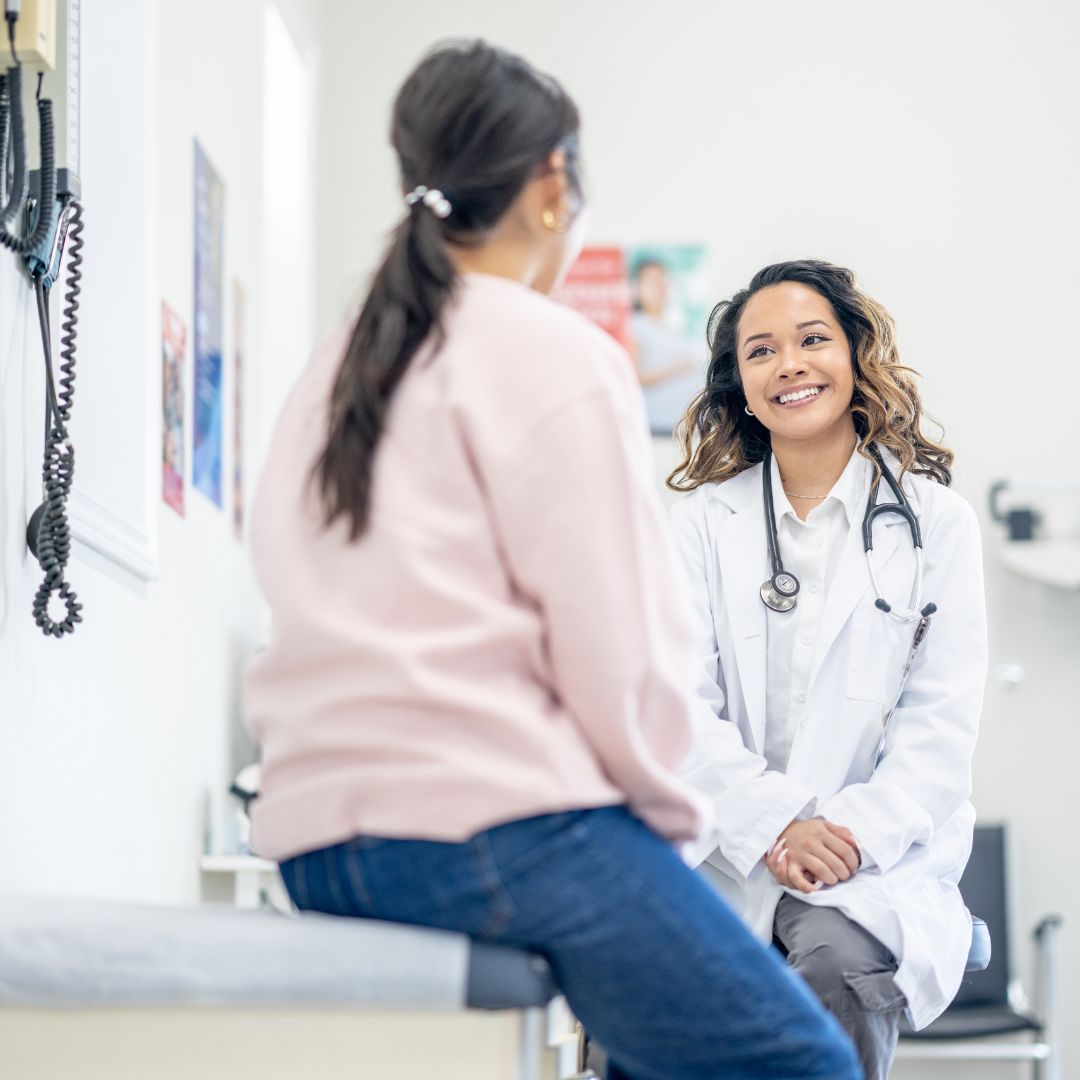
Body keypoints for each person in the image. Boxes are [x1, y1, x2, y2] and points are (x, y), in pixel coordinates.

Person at [244, 43, 859, 1080]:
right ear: (553, 185)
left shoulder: (336, 365)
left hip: (314, 845)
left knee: (644, 1055)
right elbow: (619, 661)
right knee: (807, 1063)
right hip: (493, 833)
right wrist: (666, 837)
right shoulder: (555, 353)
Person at [668, 260, 986, 1080]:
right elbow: (674, 709)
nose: (790, 365)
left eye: (813, 340)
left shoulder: (936, 526)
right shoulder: (699, 528)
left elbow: (939, 728)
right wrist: (775, 825)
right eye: (761, 351)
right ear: (740, 384)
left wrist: (838, 840)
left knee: (834, 972)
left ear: (856, 356)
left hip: (871, 861)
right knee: (656, 992)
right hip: (724, 847)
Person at [628, 259, 700, 433]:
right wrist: (679, 367)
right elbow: (633, 377)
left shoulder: (671, 324)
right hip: (656, 424)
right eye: (653, 281)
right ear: (638, 287)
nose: (660, 286)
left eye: (663, 280)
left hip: (682, 423)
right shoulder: (635, 325)